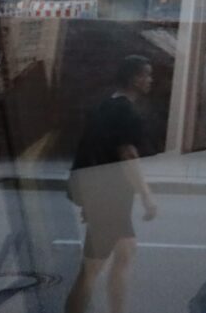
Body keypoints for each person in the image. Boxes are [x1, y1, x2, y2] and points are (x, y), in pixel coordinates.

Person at [67, 55, 160, 313]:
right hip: (109, 197)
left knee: (125, 251)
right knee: (91, 268)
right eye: (146, 74)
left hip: (104, 195)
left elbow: (89, 150)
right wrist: (147, 196)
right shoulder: (126, 112)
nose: (150, 80)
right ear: (134, 78)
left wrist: (87, 199)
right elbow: (128, 155)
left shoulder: (105, 106)